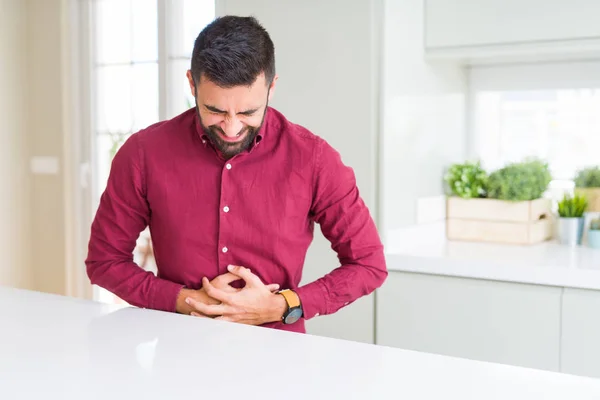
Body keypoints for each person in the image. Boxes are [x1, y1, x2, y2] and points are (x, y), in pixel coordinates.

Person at [85, 15, 387, 334]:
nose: (231, 127)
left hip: (280, 358)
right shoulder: (143, 153)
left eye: (247, 112)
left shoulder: (314, 159)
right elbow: (105, 262)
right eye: (215, 110)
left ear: (271, 88)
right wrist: (184, 301)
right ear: (192, 83)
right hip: (177, 354)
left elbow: (368, 265)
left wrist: (283, 305)